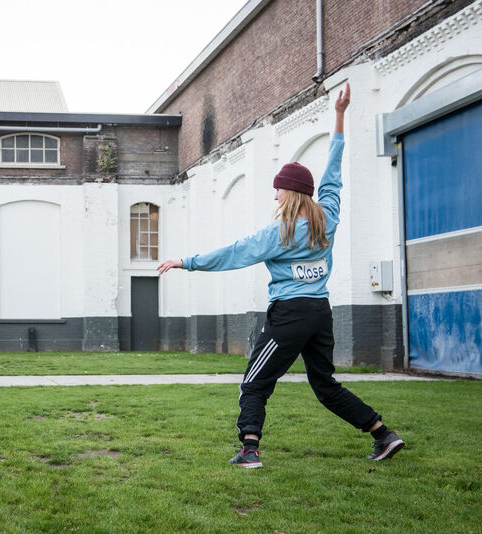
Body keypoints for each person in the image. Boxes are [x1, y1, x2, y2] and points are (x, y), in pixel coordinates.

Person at [158, 83, 404, 468]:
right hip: (320, 312)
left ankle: (249, 451)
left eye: (277, 191)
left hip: (289, 314)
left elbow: (233, 253)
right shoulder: (329, 218)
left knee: (254, 383)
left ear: (289, 193)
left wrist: (186, 262)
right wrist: (339, 115)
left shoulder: (278, 234)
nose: (274, 197)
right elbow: (334, 167)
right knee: (325, 385)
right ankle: (383, 434)